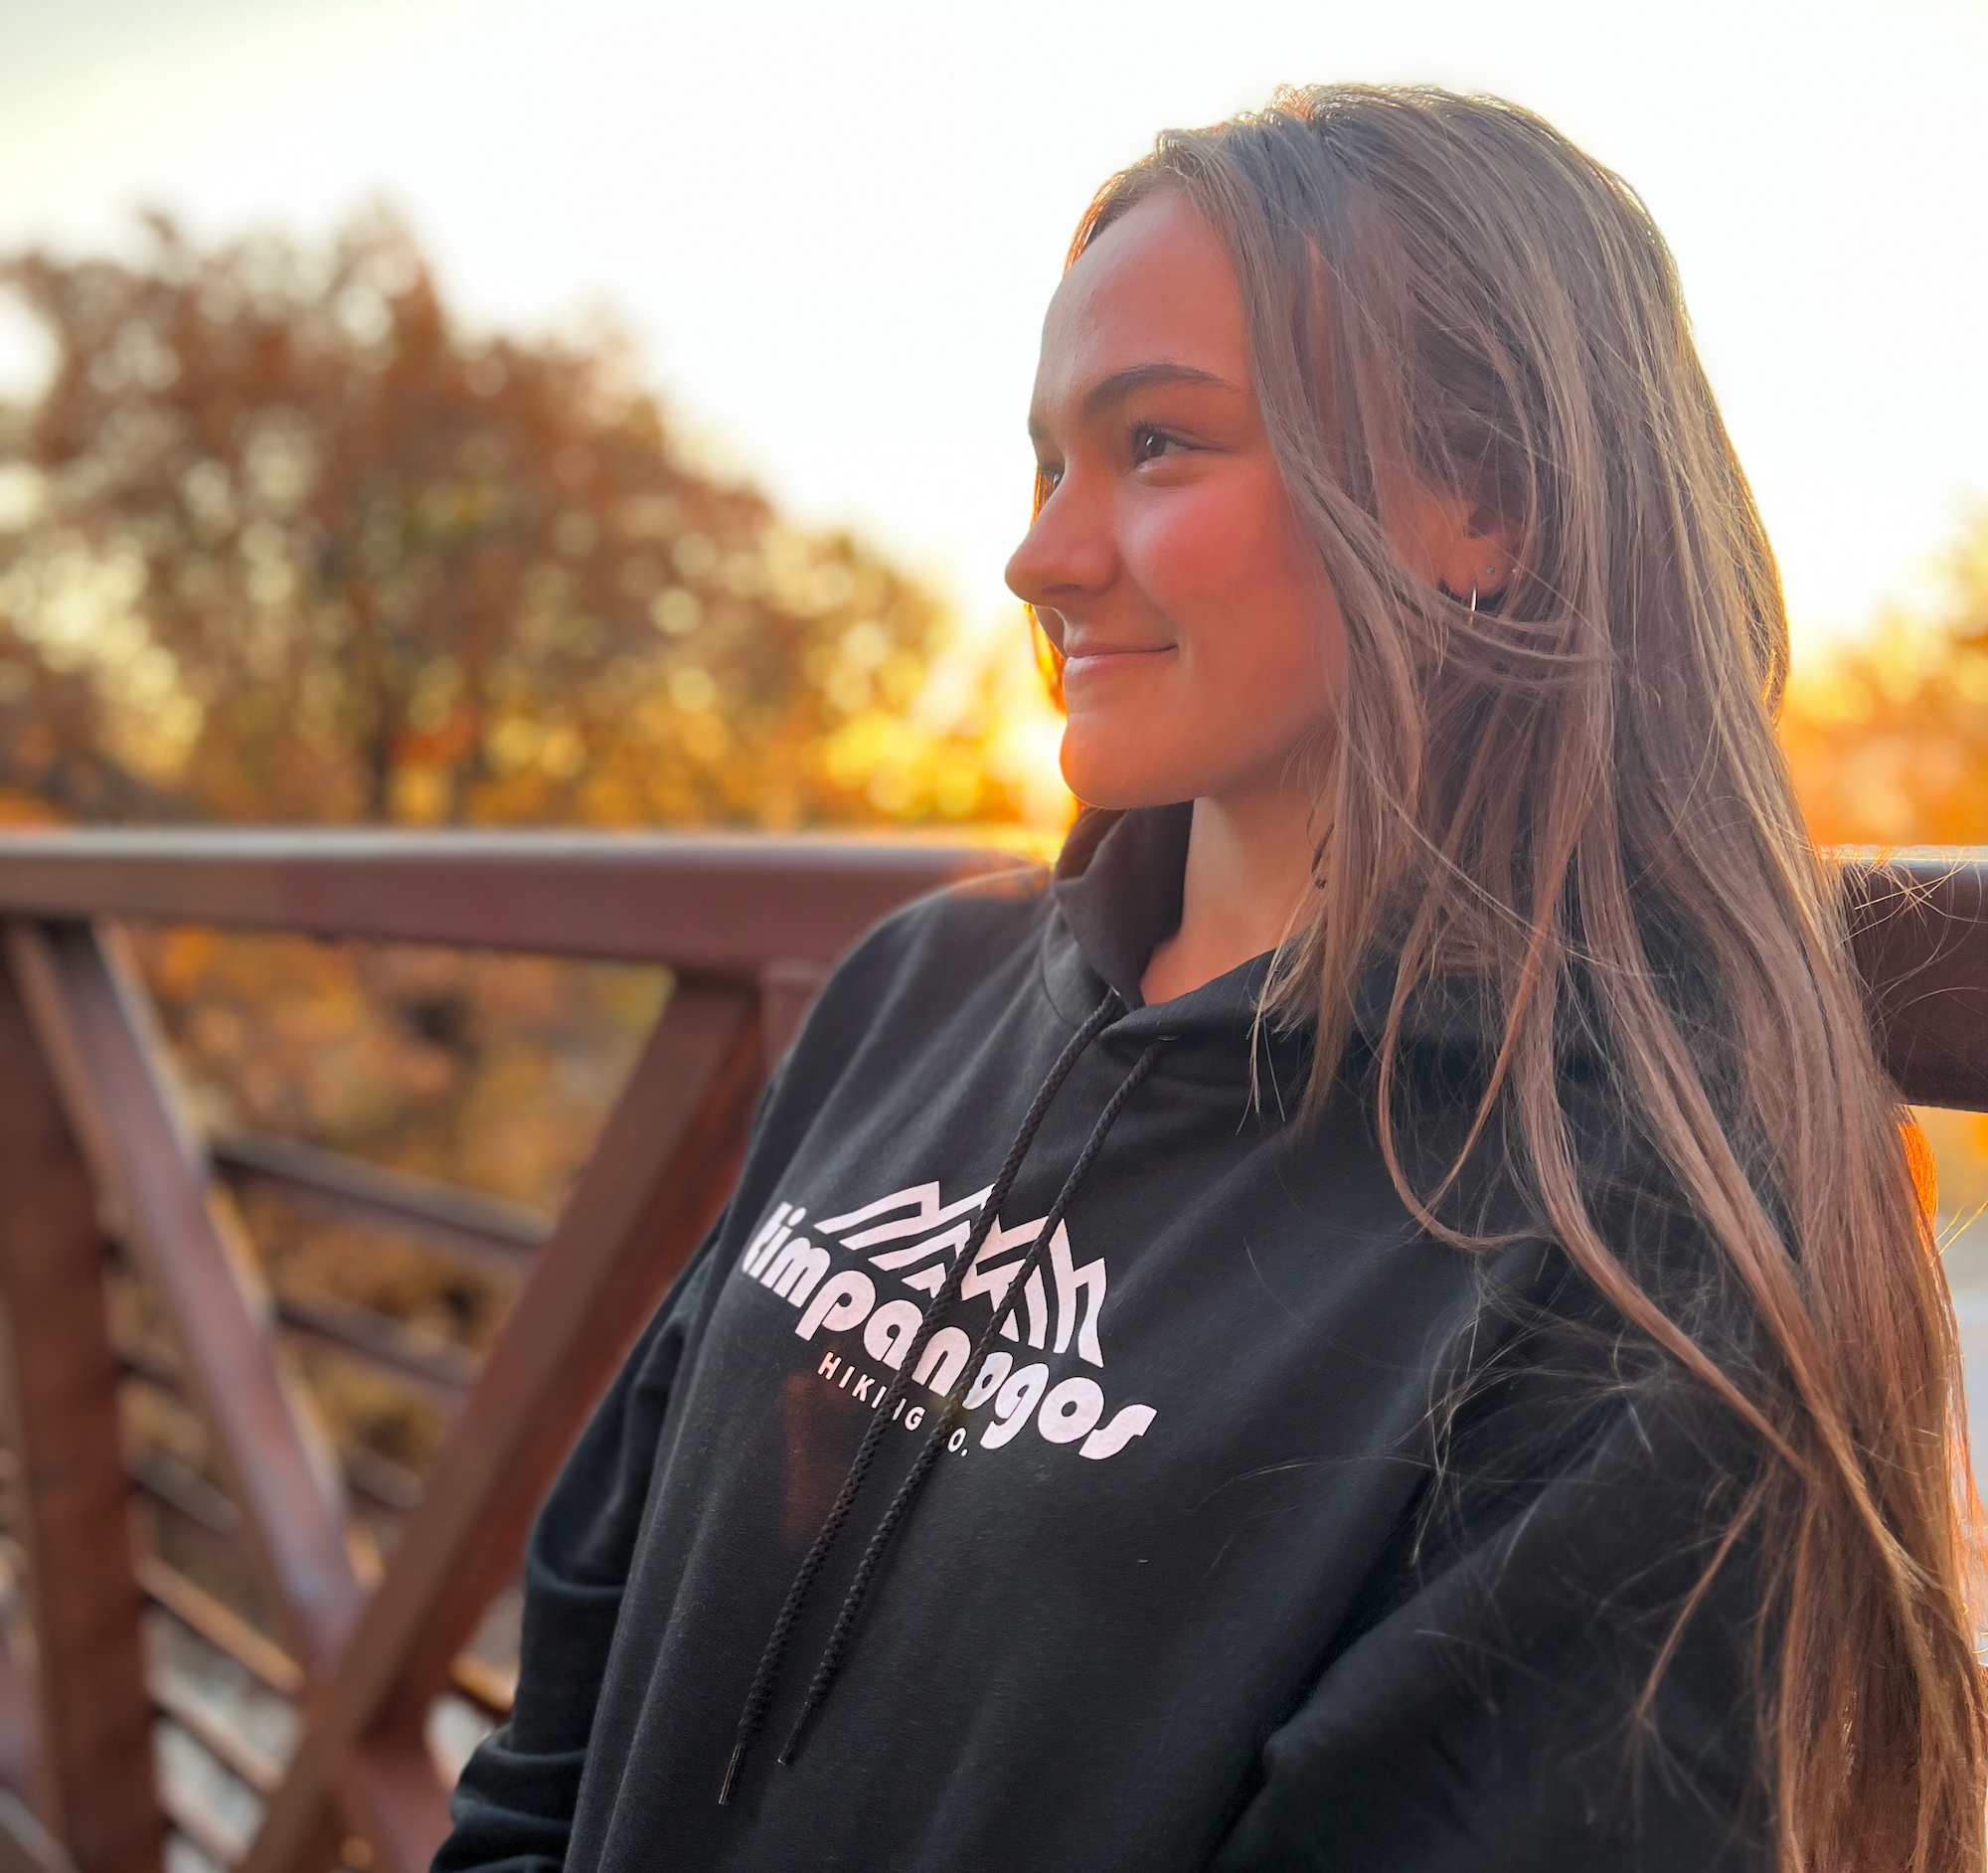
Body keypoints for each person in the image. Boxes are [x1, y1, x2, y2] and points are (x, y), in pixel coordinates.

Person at [434, 85, 1987, 1872]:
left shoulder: (1639, 1237)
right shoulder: (920, 987)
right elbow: (574, 1676)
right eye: (1047, 461)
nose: (1039, 554)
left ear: (1481, 503)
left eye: (1158, 445)